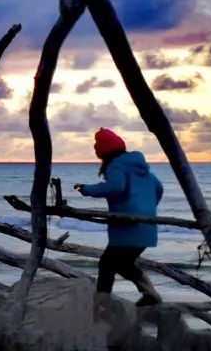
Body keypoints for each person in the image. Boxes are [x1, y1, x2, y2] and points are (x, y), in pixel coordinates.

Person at [73, 128, 164, 317]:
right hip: (147, 226)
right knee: (124, 264)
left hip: (128, 226)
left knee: (107, 265)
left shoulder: (116, 166)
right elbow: (159, 188)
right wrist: (147, 209)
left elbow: (115, 187)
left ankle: (100, 309)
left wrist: (86, 189)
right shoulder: (142, 168)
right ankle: (150, 295)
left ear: (102, 152)